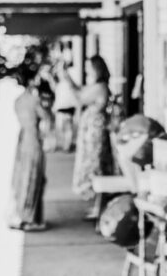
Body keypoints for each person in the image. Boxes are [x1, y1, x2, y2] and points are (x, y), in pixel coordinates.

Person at [59, 55, 113, 219]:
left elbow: (80, 98)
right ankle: (97, 206)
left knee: (95, 167)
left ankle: (100, 207)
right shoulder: (96, 85)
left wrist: (67, 79)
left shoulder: (101, 87)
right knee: (94, 168)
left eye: (90, 68)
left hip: (94, 134)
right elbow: (81, 91)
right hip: (90, 131)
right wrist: (68, 78)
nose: (87, 71)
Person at [8, 65, 52, 231]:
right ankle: (30, 217)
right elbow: (46, 116)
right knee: (34, 177)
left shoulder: (18, 100)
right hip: (33, 138)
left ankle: (23, 213)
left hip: (22, 138)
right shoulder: (34, 100)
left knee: (22, 176)